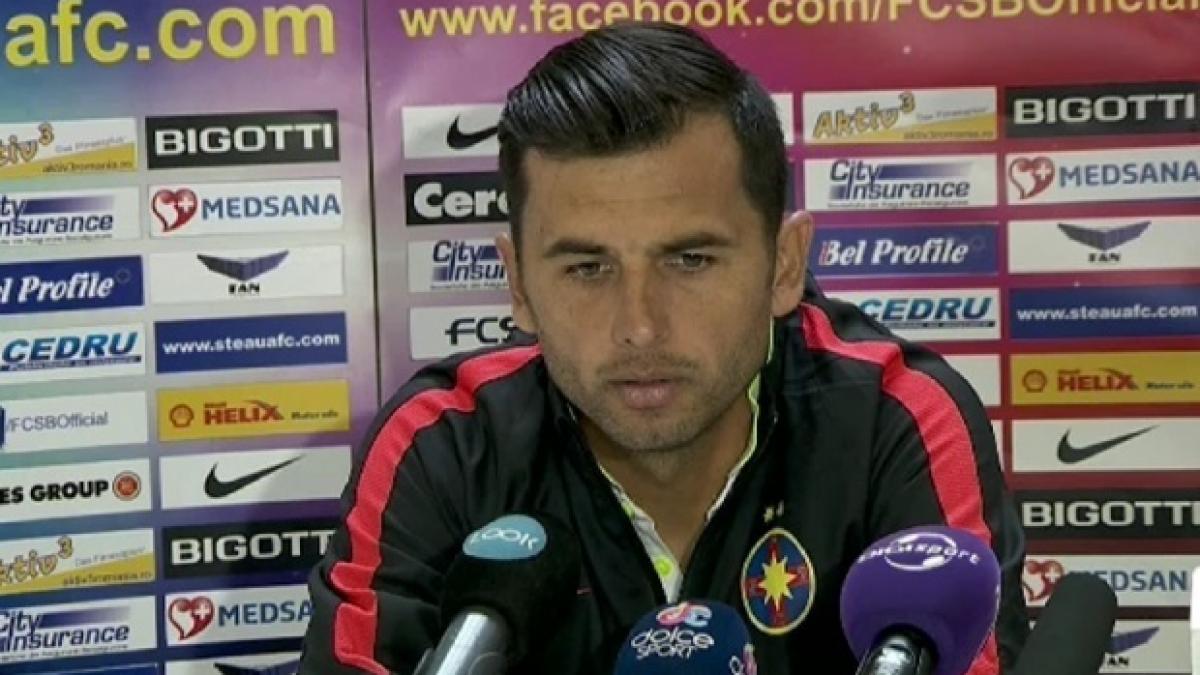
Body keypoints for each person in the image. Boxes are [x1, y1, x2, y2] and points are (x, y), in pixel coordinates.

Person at [300, 22, 1028, 674]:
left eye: (690, 260)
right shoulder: (444, 446)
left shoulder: (894, 420)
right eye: (587, 268)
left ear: (783, 265)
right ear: (518, 284)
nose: (640, 327)